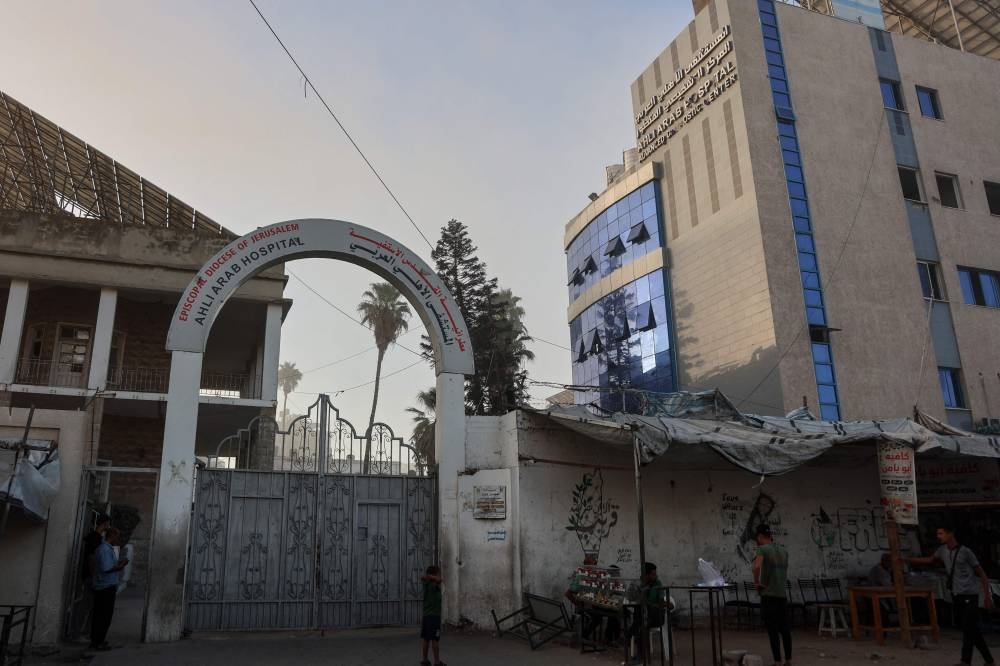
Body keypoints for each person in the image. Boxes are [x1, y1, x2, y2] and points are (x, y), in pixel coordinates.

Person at [907, 524, 994, 666]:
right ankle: (989, 661)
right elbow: (929, 560)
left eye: (941, 533)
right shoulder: (942, 550)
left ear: (950, 534)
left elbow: (981, 573)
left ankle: (965, 661)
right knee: (971, 629)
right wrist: (908, 560)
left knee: (968, 629)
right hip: (956, 594)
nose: (938, 536)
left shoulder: (966, 552)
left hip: (969, 594)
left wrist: (987, 596)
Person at [753, 524, 792, 666]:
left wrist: (757, 582)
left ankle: (777, 662)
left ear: (760, 536)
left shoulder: (762, 549)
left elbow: (757, 566)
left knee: (773, 631)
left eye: (757, 537)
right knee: (785, 630)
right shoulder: (784, 551)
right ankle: (788, 660)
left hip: (768, 595)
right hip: (781, 595)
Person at [89, 527, 128, 651]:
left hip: (104, 586)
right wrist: (121, 566)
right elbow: (107, 568)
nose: (119, 540)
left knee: (101, 615)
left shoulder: (105, 549)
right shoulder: (105, 550)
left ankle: (98, 640)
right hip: (105, 587)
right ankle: (97, 642)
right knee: (103, 616)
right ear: (113, 536)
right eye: (117, 537)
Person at [626, 562, 669, 664]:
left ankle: (629, 637)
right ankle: (639, 653)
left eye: (655, 574)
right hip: (644, 617)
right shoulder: (640, 585)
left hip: (656, 617)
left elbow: (661, 603)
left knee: (642, 622)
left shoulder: (658, 584)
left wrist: (656, 605)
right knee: (641, 620)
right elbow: (633, 599)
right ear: (646, 575)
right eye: (653, 574)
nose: (656, 576)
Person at [420, 565, 445, 666]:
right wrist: (432, 577)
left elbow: (425, 578)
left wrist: (428, 577)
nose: (440, 574)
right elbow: (440, 579)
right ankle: (437, 662)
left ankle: (425, 660)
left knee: (426, 638)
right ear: (434, 574)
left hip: (426, 616)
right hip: (433, 616)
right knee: (435, 639)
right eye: (439, 572)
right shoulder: (433, 585)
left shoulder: (426, 584)